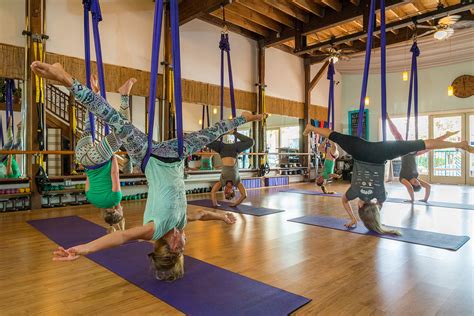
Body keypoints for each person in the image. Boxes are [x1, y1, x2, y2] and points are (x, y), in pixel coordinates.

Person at [31, 61, 265, 281]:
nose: (186, 240)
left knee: (114, 120)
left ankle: (65, 78)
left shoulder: (155, 230)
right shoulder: (179, 224)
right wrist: (221, 216)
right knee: (210, 133)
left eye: (184, 246)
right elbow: (200, 215)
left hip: (147, 156)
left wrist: (83, 249)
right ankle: (241, 118)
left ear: (175, 246)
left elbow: (121, 236)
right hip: (174, 155)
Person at [303, 124, 473, 235]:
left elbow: (380, 204)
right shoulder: (353, 192)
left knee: (420, 144)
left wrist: (376, 214)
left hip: (381, 154)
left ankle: (459, 145)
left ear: (375, 207)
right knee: (335, 136)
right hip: (360, 152)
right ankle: (311, 127)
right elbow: (344, 201)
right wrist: (353, 219)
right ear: (360, 205)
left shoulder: (380, 196)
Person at [75, 75, 136, 232]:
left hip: (98, 159)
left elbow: (115, 173)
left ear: (116, 210)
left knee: (124, 131)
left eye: (121, 211)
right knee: (89, 124)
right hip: (82, 157)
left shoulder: (116, 198)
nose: (122, 209)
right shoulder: (93, 200)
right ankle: (95, 95)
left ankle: (124, 94)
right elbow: (87, 177)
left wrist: (112, 157)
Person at [387, 115, 458, 203]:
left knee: (397, 135)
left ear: (411, 184)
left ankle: (388, 119)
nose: (417, 181)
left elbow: (409, 188)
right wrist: (425, 199)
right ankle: (447, 135)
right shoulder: (415, 177)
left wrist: (412, 200)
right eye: (418, 182)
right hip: (413, 153)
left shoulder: (403, 179)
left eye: (415, 183)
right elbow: (428, 187)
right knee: (431, 145)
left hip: (404, 152)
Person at [208, 131, 254, 207]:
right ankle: (234, 132)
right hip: (234, 150)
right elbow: (244, 195)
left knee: (206, 141)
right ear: (233, 191)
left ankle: (223, 133)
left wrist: (215, 204)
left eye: (225, 193)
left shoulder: (222, 182)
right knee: (251, 142)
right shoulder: (237, 182)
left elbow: (213, 191)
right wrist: (235, 204)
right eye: (228, 193)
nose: (225, 191)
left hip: (222, 149)